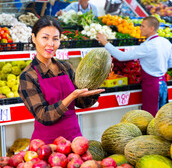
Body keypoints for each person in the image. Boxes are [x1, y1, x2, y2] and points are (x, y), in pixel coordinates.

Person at [18, 16, 104, 144]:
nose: (50, 44)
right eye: (45, 38)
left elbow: (82, 103)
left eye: (55, 39)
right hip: (46, 146)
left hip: (75, 140)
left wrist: (98, 77)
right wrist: (72, 96)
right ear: (33, 38)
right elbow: (44, 115)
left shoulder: (66, 67)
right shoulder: (28, 76)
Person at [96, 16, 172, 117]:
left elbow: (121, 57)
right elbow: (170, 63)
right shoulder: (166, 42)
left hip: (152, 87)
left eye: (143, 26)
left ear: (151, 28)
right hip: (163, 84)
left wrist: (105, 42)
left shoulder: (147, 46)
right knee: (163, 118)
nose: (140, 28)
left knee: (150, 118)